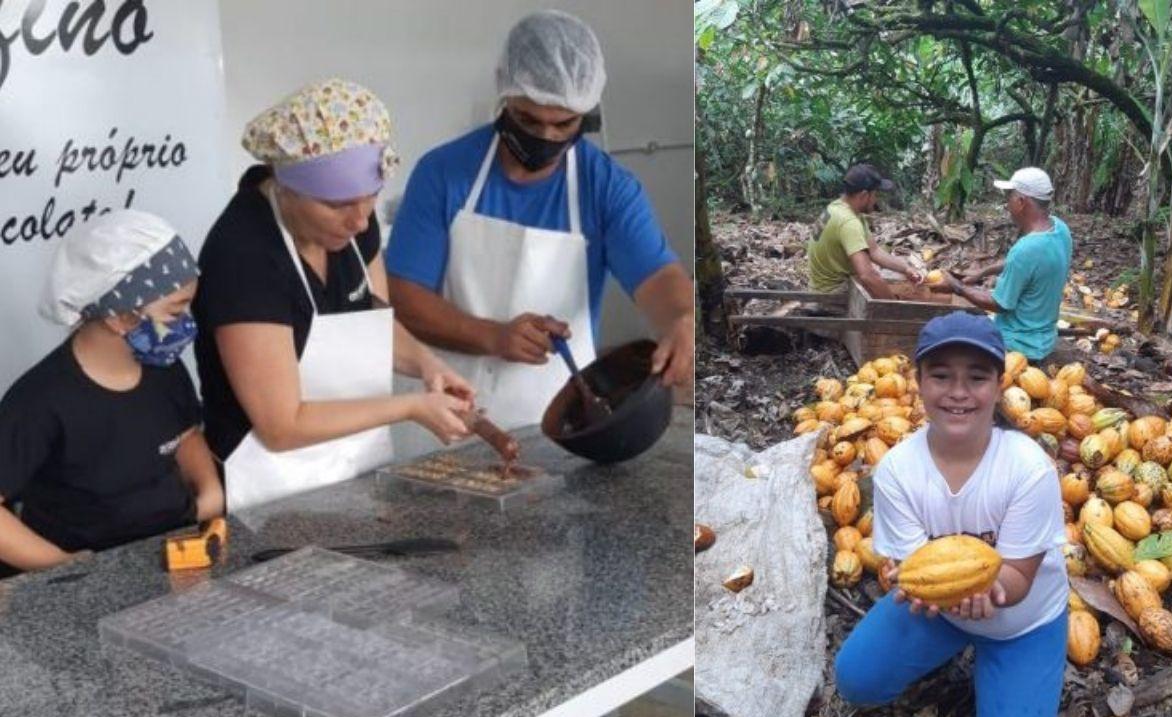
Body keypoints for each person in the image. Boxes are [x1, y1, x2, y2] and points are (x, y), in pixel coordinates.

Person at [386, 10, 694, 433]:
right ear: (505, 95)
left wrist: (681, 319)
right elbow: (404, 296)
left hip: (561, 423)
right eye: (529, 120)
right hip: (444, 418)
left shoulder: (606, 186)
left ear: (585, 114)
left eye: (563, 124)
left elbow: (656, 276)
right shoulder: (444, 173)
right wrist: (493, 336)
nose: (546, 137)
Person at [193, 79, 475, 512]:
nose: (360, 222)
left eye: (371, 199)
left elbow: (374, 325)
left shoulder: (353, 225)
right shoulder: (243, 256)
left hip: (354, 475)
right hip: (268, 498)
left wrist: (427, 364)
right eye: (338, 205)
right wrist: (410, 406)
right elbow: (281, 425)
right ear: (287, 188)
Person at [834, 311, 1069, 717]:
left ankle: (1004, 666)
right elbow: (914, 568)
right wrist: (923, 591)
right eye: (941, 376)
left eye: (976, 378)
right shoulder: (899, 469)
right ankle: (951, 650)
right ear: (917, 381)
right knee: (855, 681)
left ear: (999, 385)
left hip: (1021, 621)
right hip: (939, 611)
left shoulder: (1028, 468)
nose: (958, 392)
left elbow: (1018, 578)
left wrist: (984, 592)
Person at [0, 211, 223, 576]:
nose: (186, 323)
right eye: (176, 310)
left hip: (169, 556)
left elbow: (184, 435)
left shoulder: (163, 369)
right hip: (87, 577)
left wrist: (208, 492)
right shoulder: (40, 401)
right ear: (120, 317)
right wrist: (64, 565)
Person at [933, 167, 1072, 362]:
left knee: (944, 336)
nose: (1007, 205)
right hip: (1045, 338)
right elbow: (1028, 265)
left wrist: (957, 287)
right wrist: (983, 272)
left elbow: (1000, 305)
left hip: (1018, 344)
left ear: (1021, 202)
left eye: (1009, 198)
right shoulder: (1059, 228)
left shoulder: (1026, 249)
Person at [807, 163, 926, 298]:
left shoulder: (838, 208)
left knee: (890, 281)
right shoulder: (849, 223)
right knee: (889, 287)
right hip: (831, 294)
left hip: (825, 287)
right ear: (864, 195)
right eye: (875, 195)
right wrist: (893, 306)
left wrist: (906, 268)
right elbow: (867, 276)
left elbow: (874, 251)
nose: (876, 200)